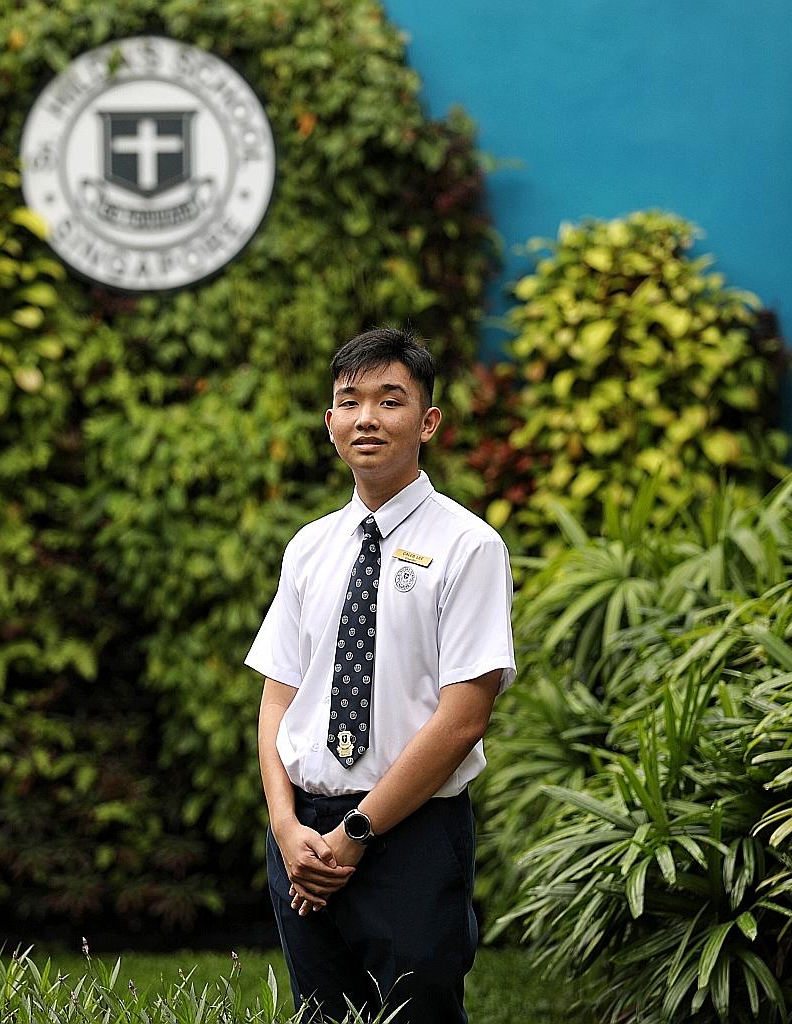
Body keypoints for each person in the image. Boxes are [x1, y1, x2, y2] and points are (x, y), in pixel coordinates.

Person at [245, 328, 516, 1023]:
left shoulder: (469, 546)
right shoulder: (309, 547)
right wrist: (285, 827)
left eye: (390, 400)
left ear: (427, 422)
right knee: (322, 1014)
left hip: (411, 837)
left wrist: (357, 833)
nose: (367, 417)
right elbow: (277, 700)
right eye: (350, 401)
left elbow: (464, 719)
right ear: (330, 421)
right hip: (303, 837)